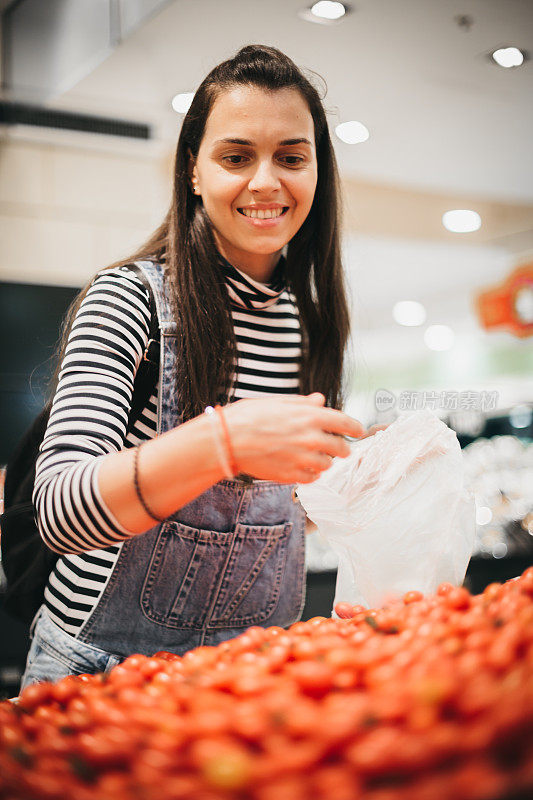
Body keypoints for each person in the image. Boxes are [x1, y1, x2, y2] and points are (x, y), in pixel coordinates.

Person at [20, 44, 368, 690]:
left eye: (291, 157)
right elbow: (59, 512)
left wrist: (353, 489)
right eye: (236, 157)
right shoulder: (129, 299)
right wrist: (224, 441)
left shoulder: (313, 323)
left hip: (245, 677)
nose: (266, 181)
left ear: (317, 172)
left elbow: (272, 510)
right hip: (98, 676)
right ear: (194, 172)